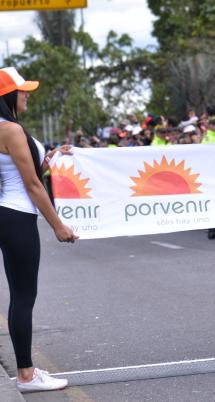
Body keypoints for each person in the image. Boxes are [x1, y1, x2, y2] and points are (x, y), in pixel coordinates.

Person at [0, 67, 78, 392]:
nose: (27, 94)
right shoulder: (10, 130)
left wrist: (51, 157)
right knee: (23, 296)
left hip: (9, 213)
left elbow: (29, 170)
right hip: (17, 215)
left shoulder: (10, 129)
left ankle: (26, 373)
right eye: (22, 90)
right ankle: (27, 375)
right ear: (7, 96)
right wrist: (57, 225)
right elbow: (32, 184)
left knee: (20, 295)